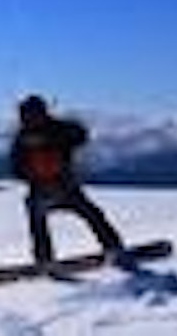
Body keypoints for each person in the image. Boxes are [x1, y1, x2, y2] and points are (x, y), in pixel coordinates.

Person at [9, 94, 131, 270]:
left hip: (51, 189)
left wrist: (34, 174)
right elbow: (81, 135)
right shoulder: (47, 131)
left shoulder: (30, 136)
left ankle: (45, 260)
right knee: (93, 215)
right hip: (63, 187)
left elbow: (17, 169)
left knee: (42, 222)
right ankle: (113, 248)